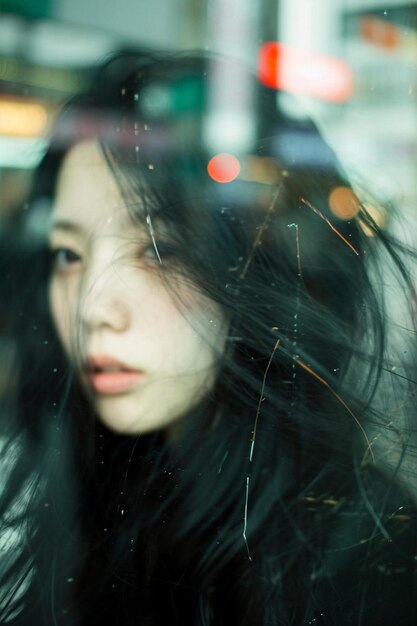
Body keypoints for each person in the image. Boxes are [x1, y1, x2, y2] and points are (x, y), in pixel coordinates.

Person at [1, 51, 417, 625]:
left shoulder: (367, 556)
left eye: (160, 250)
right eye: (69, 254)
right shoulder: (85, 483)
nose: (93, 310)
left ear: (258, 264)